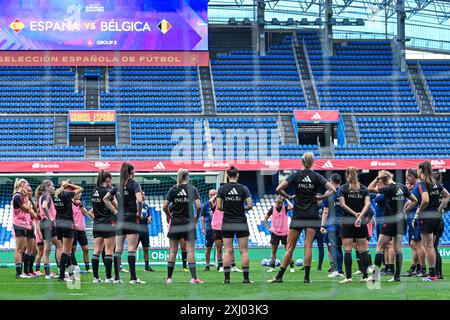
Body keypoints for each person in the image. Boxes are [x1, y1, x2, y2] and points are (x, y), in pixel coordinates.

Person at [268, 152, 336, 284]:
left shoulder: (296, 175)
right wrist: (321, 197)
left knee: (290, 247)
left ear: (302, 162)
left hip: (298, 214)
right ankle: (306, 278)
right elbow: (332, 189)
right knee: (308, 245)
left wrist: (288, 197)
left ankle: (279, 276)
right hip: (312, 215)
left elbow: (278, 188)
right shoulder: (316, 176)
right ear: (312, 162)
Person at [369, 170, 417, 282]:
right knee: (398, 249)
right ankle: (397, 277)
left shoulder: (388, 188)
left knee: (379, 247)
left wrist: (377, 178)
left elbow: (369, 188)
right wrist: (405, 211)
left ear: (384, 179)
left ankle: (375, 276)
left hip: (390, 221)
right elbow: (415, 200)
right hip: (401, 220)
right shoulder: (403, 187)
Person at [104, 162, 145, 284]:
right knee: (131, 249)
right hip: (131, 218)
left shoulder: (118, 186)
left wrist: (116, 211)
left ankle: (117, 278)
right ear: (131, 172)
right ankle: (133, 278)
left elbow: (105, 199)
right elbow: (139, 199)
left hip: (120, 219)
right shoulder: (134, 184)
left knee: (118, 250)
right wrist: (138, 213)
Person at [162, 168, 203, 284]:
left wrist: (170, 217)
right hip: (188, 221)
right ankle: (194, 278)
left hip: (175, 222)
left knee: (172, 251)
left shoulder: (173, 189)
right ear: (187, 176)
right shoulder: (192, 189)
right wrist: (196, 218)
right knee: (190, 251)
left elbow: (164, 206)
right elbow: (199, 206)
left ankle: (169, 278)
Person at [412, 161, 450, 281]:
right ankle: (434, 274)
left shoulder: (422, 184)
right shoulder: (436, 183)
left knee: (428, 247)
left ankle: (432, 275)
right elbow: (447, 195)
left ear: (421, 171)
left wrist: (418, 213)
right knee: (432, 247)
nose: (417, 171)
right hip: (437, 218)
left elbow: (425, 200)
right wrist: (439, 209)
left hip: (427, 218)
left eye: (418, 169)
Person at [216, 166, 253, 284]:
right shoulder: (244, 188)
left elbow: (218, 207)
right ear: (237, 175)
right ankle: (246, 279)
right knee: (244, 251)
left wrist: (226, 208)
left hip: (227, 221)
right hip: (241, 221)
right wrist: (241, 208)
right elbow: (250, 205)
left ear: (227, 175)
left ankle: (227, 280)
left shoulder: (222, 189)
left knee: (227, 250)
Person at [338, 167, 372, 284]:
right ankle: (365, 276)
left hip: (347, 220)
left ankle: (348, 277)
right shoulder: (363, 188)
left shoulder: (343, 188)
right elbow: (367, 204)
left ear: (347, 175)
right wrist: (360, 216)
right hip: (360, 221)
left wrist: (353, 214)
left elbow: (342, 204)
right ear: (357, 175)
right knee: (363, 250)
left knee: (347, 250)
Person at [54, 180, 83, 282]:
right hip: (67, 223)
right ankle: (62, 276)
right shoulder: (67, 194)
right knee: (66, 251)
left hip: (58, 223)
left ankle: (70, 274)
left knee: (66, 250)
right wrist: (69, 184)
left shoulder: (55, 195)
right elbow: (80, 189)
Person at [91, 170, 116, 283]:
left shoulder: (94, 191)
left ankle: (95, 277)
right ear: (107, 179)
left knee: (96, 251)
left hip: (97, 224)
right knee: (109, 251)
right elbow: (116, 204)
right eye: (110, 179)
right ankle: (108, 277)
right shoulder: (108, 191)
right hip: (107, 223)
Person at [36, 180, 62, 279]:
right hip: (48, 223)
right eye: (52, 186)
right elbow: (44, 206)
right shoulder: (46, 196)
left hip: (43, 223)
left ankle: (47, 273)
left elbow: (40, 210)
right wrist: (50, 219)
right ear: (47, 187)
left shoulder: (41, 197)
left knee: (47, 249)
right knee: (60, 247)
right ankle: (62, 270)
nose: (54, 188)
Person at [404, 168, 427, 277]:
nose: (406, 179)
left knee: (418, 244)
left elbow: (422, 201)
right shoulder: (415, 188)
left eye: (407, 176)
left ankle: (422, 268)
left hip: (415, 219)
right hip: (412, 219)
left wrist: (407, 210)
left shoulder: (419, 186)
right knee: (414, 244)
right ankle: (416, 267)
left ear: (412, 176)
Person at [263, 196, 295, 273]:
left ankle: (292, 267)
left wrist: (286, 198)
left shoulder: (285, 208)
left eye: (279, 203)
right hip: (275, 233)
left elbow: (292, 207)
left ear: (282, 203)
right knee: (274, 251)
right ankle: (272, 267)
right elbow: (265, 219)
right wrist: (269, 228)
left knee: (288, 250)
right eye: (276, 202)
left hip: (284, 233)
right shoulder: (272, 209)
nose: (277, 204)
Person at [12, 179, 36, 279]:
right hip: (19, 224)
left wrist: (26, 197)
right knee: (20, 249)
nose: (28, 187)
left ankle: (24, 272)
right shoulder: (17, 196)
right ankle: (19, 273)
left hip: (25, 224)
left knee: (24, 249)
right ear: (22, 185)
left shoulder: (20, 196)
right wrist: (27, 197)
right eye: (27, 185)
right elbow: (27, 209)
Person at [325, 174, 344, 278]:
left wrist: (322, 225)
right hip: (343, 223)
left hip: (332, 224)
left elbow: (325, 211)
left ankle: (337, 270)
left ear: (331, 182)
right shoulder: (343, 191)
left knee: (334, 248)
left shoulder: (329, 193)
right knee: (339, 248)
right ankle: (340, 271)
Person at [72, 193, 91, 273]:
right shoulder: (69, 204)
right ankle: (74, 266)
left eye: (80, 194)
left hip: (81, 229)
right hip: (73, 229)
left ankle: (88, 268)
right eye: (78, 194)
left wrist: (81, 206)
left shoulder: (80, 204)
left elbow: (86, 214)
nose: (79, 195)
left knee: (86, 249)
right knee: (72, 249)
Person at [138, 192, 154, 272]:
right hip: (136, 229)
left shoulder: (146, 206)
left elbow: (149, 215)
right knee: (133, 249)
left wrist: (150, 218)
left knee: (146, 249)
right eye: (141, 194)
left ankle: (147, 266)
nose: (143, 196)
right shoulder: (134, 205)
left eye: (144, 194)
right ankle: (131, 267)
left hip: (145, 230)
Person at [201, 189, 217, 272]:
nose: (212, 196)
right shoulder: (206, 205)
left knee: (219, 248)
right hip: (209, 229)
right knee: (208, 248)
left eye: (214, 194)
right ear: (208, 195)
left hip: (218, 229)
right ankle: (207, 265)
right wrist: (203, 228)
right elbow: (203, 218)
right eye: (211, 194)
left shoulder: (220, 204)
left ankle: (220, 265)